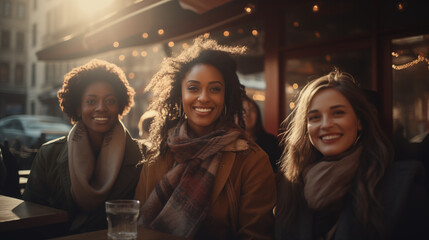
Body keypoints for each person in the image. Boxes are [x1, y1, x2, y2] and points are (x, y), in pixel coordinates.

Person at [134, 36, 276, 239]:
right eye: (193, 88)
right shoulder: (157, 152)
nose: (203, 97)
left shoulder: (252, 160)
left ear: (226, 96)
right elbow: (137, 224)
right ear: (180, 94)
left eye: (215, 89)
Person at [274, 69, 429, 240]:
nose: (325, 125)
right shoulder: (291, 188)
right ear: (306, 128)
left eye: (338, 113)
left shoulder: (401, 189)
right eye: (315, 117)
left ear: (360, 121)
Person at [23, 59, 142, 236]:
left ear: (120, 106)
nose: (101, 108)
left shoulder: (141, 156)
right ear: (78, 108)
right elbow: (30, 218)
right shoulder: (48, 154)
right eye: (91, 101)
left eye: (110, 101)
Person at [242, 95, 282, 172]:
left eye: (251, 110)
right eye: (243, 111)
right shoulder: (227, 143)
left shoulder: (271, 142)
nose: (247, 114)